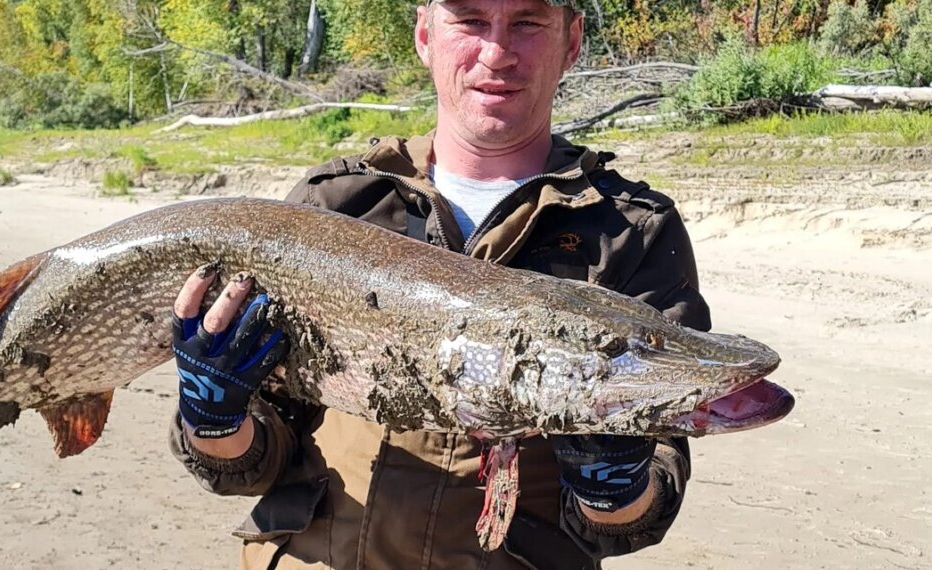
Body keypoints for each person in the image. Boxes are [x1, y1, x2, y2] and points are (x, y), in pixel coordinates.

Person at [168, 1, 710, 568]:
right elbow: (253, 460)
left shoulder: (631, 231)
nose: (497, 53)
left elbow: (640, 510)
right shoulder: (336, 207)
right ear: (426, 35)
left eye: (527, 22)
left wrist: (612, 485)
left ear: (571, 42)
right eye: (471, 21)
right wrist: (213, 420)